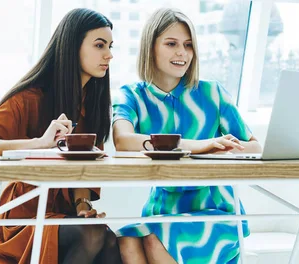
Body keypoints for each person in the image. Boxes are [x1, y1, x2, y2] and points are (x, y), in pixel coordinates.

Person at [0, 8, 121, 264]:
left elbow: (85, 167)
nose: (109, 55)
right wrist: (40, 144)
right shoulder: (30, 98)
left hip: (65, 214)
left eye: (111, 46)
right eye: (100, 45)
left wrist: (83, 206)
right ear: (72, 46)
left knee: (111, 242)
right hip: (25, 215)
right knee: (93, 237)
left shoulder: (93, 104)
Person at [112, 8, 262, 264]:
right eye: (171, 44)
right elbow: (123, 141)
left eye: (188, 45)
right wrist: (198, 146)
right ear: (151, 47)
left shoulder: (212, 93)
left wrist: (226, 149)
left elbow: (254, 146)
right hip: (162, 210)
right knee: (125, 240)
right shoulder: (132, 95)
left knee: (153, 241)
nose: (182, 52)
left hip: (215, 209)